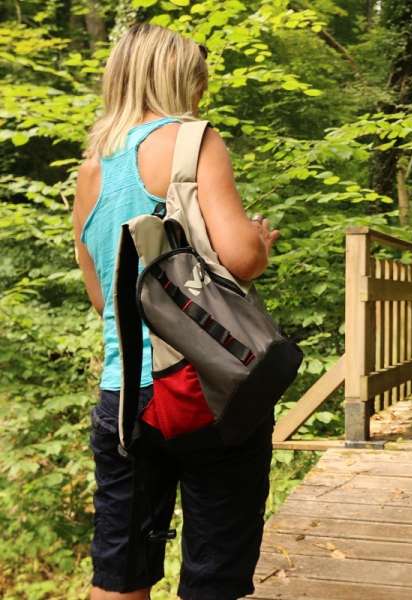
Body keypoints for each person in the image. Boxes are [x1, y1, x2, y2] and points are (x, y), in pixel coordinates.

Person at [71, 23, 279, 600]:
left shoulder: (90, 173)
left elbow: (102, 298)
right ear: (177, 79)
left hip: (123, 397)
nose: (201, 93)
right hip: (206, 387)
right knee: (213, 574)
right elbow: (240, 257)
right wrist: (260, 242)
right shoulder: (194, 140)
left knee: (120, 572)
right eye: (197, 80)